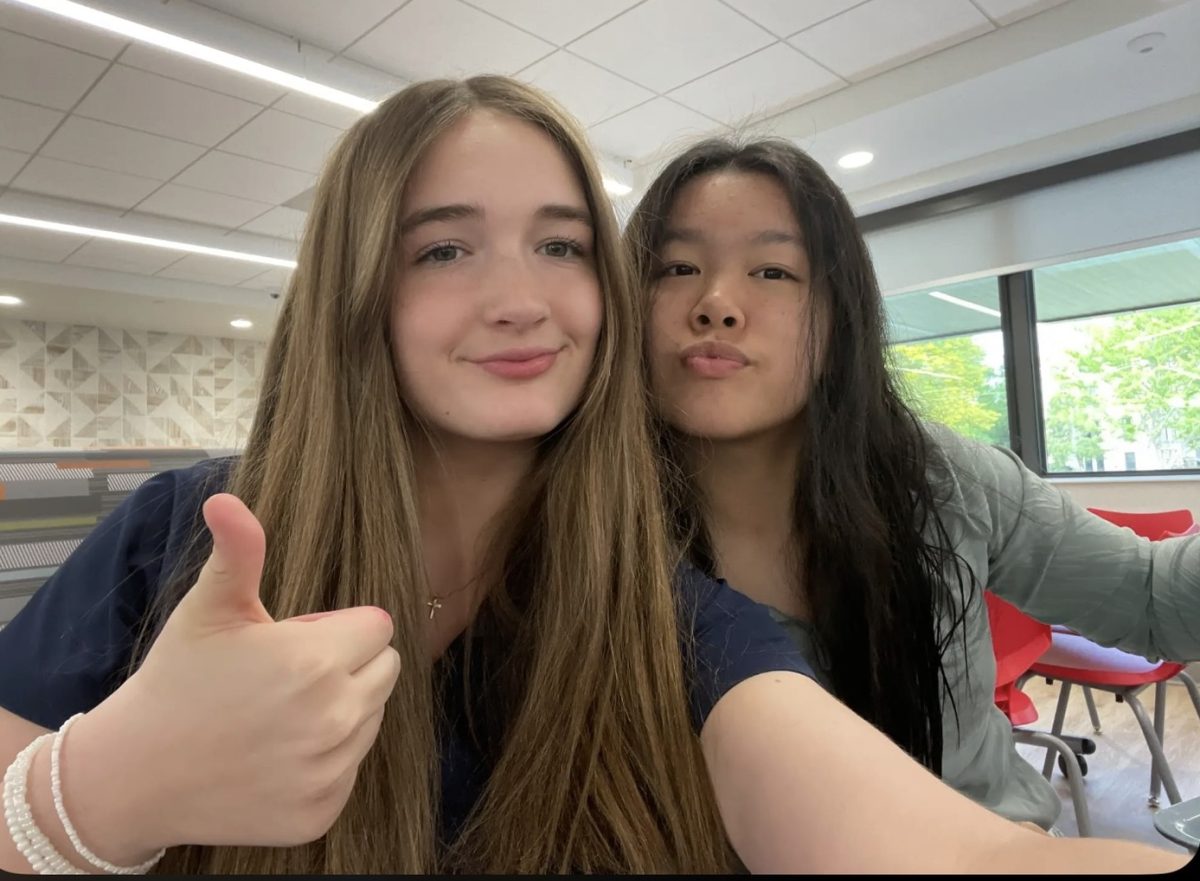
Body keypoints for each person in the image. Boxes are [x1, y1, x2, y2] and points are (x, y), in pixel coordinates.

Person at [0, 80, 1186, 875]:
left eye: (562, 244)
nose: (520, 296)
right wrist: (91, 790)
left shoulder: (653, 607)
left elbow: (962, 850)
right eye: (444, 247)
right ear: (355, 284)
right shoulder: (192, 533)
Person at [625, 135, 1200, 835]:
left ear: (841, 316)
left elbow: (1153, 602)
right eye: (678, 267)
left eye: (773, 271)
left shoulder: (947, 481)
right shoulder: (592, 538)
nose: (716, 304)